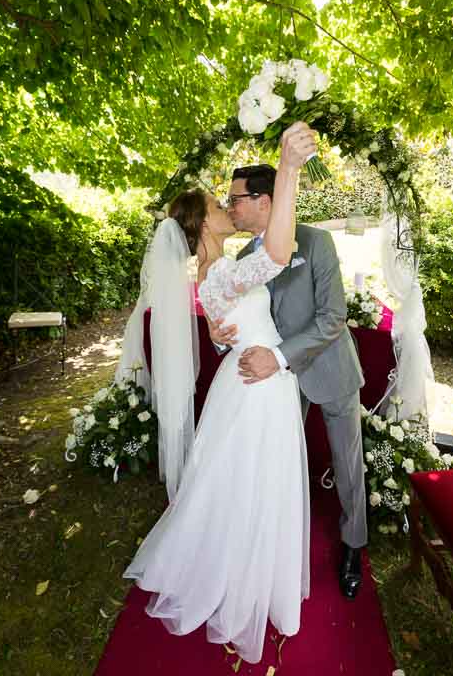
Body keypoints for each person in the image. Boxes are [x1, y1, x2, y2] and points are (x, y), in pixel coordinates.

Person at [124, 122, 316, 664]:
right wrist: (288, 170)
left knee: (241, 483)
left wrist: (215, 332)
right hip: (257, 389)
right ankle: (243, 581)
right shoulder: (219, 272)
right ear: (202, 224)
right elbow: (278, 255)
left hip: (252, 378)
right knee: (254, 484)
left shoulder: (215, 272)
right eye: (218, 205)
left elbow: (229, 319)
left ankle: (245, 570)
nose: (227, 209)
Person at [209, 163, 367, 599]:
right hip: (276, 388)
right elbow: (244, 321)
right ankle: (276, 543)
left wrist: (278, 357)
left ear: (265, 201)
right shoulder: (242, 261)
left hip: (329, 370)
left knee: (348, 465)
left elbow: (333, 317)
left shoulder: (316, 241)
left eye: (235, 198)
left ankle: (354, 545)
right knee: (276, 464)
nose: (230, 207)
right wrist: (222, 340)